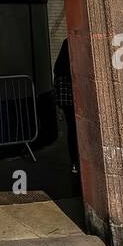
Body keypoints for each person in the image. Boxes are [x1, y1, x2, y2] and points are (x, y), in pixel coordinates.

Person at [53, 38, 79, 179]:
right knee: (77, 130)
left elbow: (57, 74)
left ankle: (75, 162)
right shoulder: (75, 45)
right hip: (76, 97)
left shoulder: (61, 65)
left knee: (72, 129)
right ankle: (78, 161)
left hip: (67, 101)